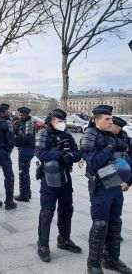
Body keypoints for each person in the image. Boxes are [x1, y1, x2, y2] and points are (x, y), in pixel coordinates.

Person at [81, 105, 132, 274]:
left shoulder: (111, 134)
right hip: (100, 185)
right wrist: (109, 148)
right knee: (100, 224)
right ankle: (94, 264)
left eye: (111, 118)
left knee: (115, 222)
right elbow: (93, 163)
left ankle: (112, 259)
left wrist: (127, 180)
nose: (111, 121)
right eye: (107, 119)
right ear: (96, 120)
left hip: (115, 183)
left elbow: (124, 154)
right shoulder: (90, 135)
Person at [36, 108, 81, 263]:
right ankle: (42, 245)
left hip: (65, 177)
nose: (61, 123)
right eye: (58, 120)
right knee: (47, 212)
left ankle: (64, 239)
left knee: (67, 209)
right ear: (51, 120)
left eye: (62, 120)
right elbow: (41, 153)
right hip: (49, 178)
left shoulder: (68, 135)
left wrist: (71, 156)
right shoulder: (44, 134)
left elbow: (77, 153)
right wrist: (60, 153)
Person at [13, 107, 35, 202]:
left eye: (22, 115)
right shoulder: (24, 122)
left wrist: (16, 136)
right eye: (20, 114)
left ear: (26, 114)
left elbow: (27, 138)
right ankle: (27, 192)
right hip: (25, 149)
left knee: (23, 172)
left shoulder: (28, 123)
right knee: (25, 172)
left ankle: (24, 195)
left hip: (26, 149)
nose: (20, 116)